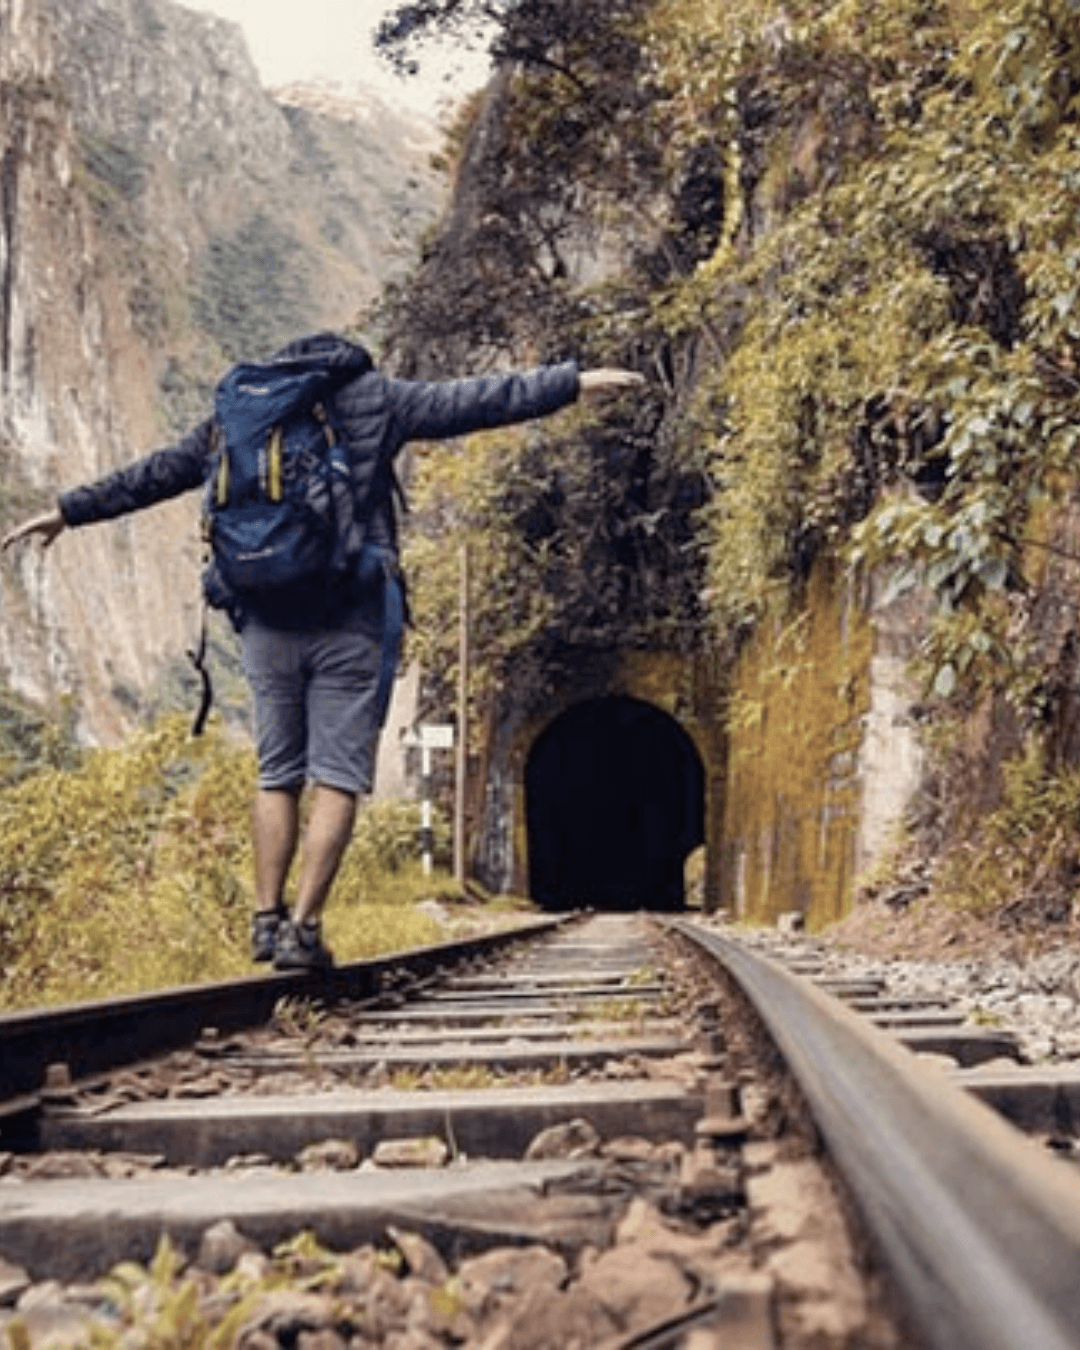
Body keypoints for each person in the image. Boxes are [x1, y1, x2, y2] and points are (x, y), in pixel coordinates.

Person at [1, 332, 643, 971]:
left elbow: (157, 473)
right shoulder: (374, 398)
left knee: (276, 772)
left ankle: (263, 917)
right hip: (352, 616)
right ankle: (302, 929)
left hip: (264, 621)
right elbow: (475, 401)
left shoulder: (239, 416)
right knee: (336, 775)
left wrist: (67, 511)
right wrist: (571, 383)